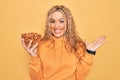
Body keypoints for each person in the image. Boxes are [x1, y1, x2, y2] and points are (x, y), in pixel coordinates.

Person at [20, 5, 106, 80]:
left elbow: (80, 77)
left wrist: (89, 52)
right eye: (52, 21)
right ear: (48, 24)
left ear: (68, 23)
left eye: (61, 21)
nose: (56, 26)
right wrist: (33, 56)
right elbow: (36, 78)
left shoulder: (78, 45)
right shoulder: (41, 45)